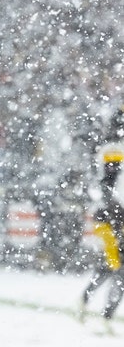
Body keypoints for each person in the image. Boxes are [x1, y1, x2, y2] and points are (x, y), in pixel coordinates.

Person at [77, 138, 124, 334]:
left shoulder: (105, 176)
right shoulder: (105, 179)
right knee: (116, 268)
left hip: (112, 224)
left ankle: (87, 300)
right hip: (109, 225)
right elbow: (109, 200)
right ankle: (105, 314)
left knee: (111, 267)